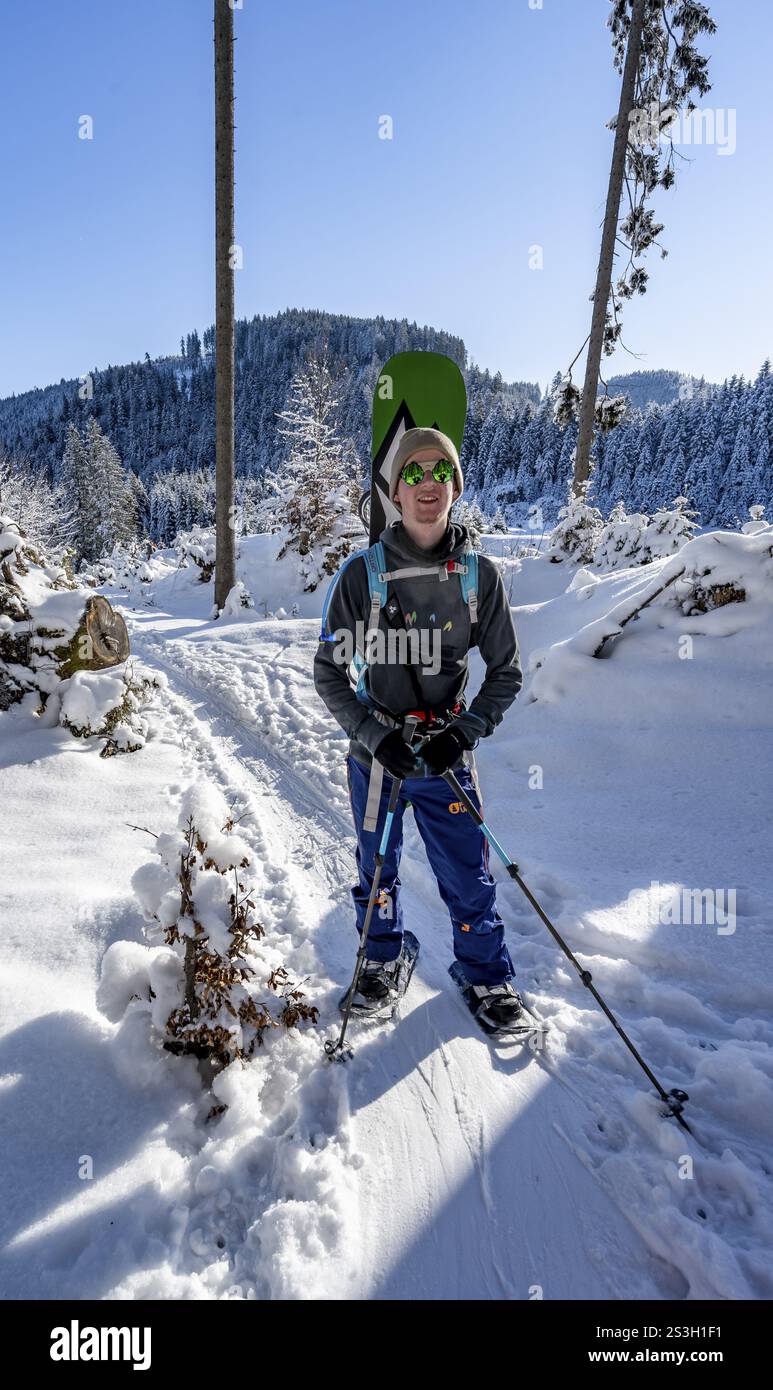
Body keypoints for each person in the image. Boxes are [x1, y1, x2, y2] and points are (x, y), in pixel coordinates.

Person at [313, 426, 524, 1030]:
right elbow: (328, 670)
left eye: (439, 472)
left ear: (455, 486)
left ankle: (485, 974)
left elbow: (505, 669)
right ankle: (381, 959)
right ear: (393, 492)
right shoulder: (361, 576)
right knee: (376, 866)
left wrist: (466, 731)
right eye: (412, 473)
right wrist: (373, 736)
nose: (426, 484)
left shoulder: (480, 577)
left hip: (446, 755)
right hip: (378, 755)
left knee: (467, 871)